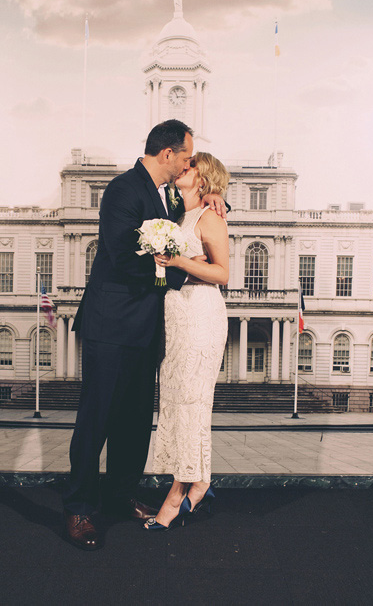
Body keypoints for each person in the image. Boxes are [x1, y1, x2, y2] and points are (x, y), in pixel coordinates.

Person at [63, 121, 227, 550]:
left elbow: (191, 219)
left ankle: (118, 496)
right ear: (167, 154)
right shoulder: (122, 189)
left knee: (134, 422)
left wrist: (215, 195)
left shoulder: (170, 196)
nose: (190, 164)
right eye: (187, 157)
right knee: (96, 419)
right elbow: (120, 255)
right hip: (111, 324)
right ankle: (80, 508)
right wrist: (170, 274)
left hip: (148, 328)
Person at [143, 152, 229, 531]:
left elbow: (223, 273)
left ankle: (176, 495)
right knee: (178, 403)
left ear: (203, 177)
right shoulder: (176, 216)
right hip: (176, 315)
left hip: (202, 313)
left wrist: (177, 261)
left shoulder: (211, 216)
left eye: (190, 165)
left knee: (192, 402)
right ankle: (201, 480)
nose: (183, 167)